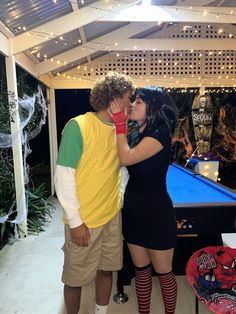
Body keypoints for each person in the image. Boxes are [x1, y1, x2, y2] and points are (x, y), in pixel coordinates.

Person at [54, 71, 135, 314]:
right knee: (75, 278)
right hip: (84, 219)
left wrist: (117, 200)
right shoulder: (78, 126)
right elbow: (64, 177)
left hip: (111, 216)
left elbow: (120, 169)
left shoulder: (120, 130)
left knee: (106, 269)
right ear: (114, 98)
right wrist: (76, 221)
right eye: (128, 98)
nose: (131, 104)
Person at [109, 86, 178, 314]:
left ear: (153, 107)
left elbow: (126, 158)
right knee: (141, 270)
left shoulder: (160, 132)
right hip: (133, 210)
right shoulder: (137, 133)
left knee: (164, 272)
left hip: (156, 212)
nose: (132, 105)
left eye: (138, 101)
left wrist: (119, 124)